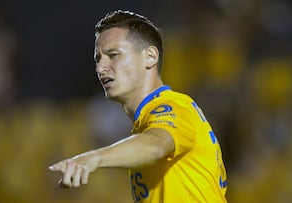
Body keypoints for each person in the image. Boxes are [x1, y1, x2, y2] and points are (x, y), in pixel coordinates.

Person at [49, 10, 227, 202]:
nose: (101, 68)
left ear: (150, 57)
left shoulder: (174, 105)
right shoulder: (142, 128)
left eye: (114, 55)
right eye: (98, 59)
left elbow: (156, 145)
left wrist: (94, 158)